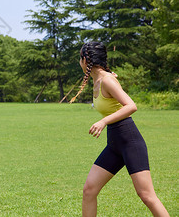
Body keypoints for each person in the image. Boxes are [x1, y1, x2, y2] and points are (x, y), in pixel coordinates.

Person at [70, 42, 169, 217]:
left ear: (86, 60)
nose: (80, 62)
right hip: (114, 144)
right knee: (89, 190)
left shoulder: (107, 81)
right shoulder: (100, 79)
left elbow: (131, 106)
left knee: (146, 195)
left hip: (129, 141)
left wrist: (103, 121)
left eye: (80, 58)